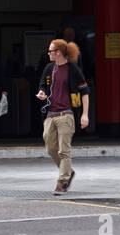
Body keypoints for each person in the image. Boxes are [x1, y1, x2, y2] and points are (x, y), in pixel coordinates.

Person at [36, 39, 90, 195]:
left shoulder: (73, 69)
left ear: (58, 52)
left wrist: (85, 114)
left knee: (64, 151)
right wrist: (42, 93)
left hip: (66, 114)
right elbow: (42, 85)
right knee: (51, 148)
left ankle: (62, 181)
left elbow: (85, 92)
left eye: (50, 51)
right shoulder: (49, 68)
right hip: (50, 114)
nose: (48, 54)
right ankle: (68, 171)